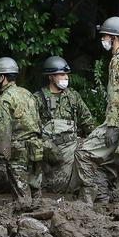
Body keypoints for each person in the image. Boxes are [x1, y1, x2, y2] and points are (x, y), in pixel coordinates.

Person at [73, 16, 119, 204]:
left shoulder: (118, 61)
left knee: (84, 152)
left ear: (114, 37)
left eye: (105, 36)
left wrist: (112, 125)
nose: (102, 39)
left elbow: (118, 95)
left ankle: (86, 203)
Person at [34, 56, 94, 193]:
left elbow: (87, 121)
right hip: (51, 151)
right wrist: (45, 144)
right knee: (55, 188)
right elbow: (31, 127)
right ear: (51, 77)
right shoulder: (38, 98)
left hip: (72, 146)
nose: (65, 77)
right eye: (61, 74)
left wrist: (93, 142)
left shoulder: (73, 96)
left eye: (66, 74)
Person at [0, 57, 45, 201]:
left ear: (2, 77)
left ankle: (26, 219)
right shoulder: (27, 93)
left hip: (18, 151)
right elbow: (38, 121)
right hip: (36, 148)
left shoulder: (4, 99)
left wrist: (2, 158)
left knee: (22, 196)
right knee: (36, 190)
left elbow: (4, 132)